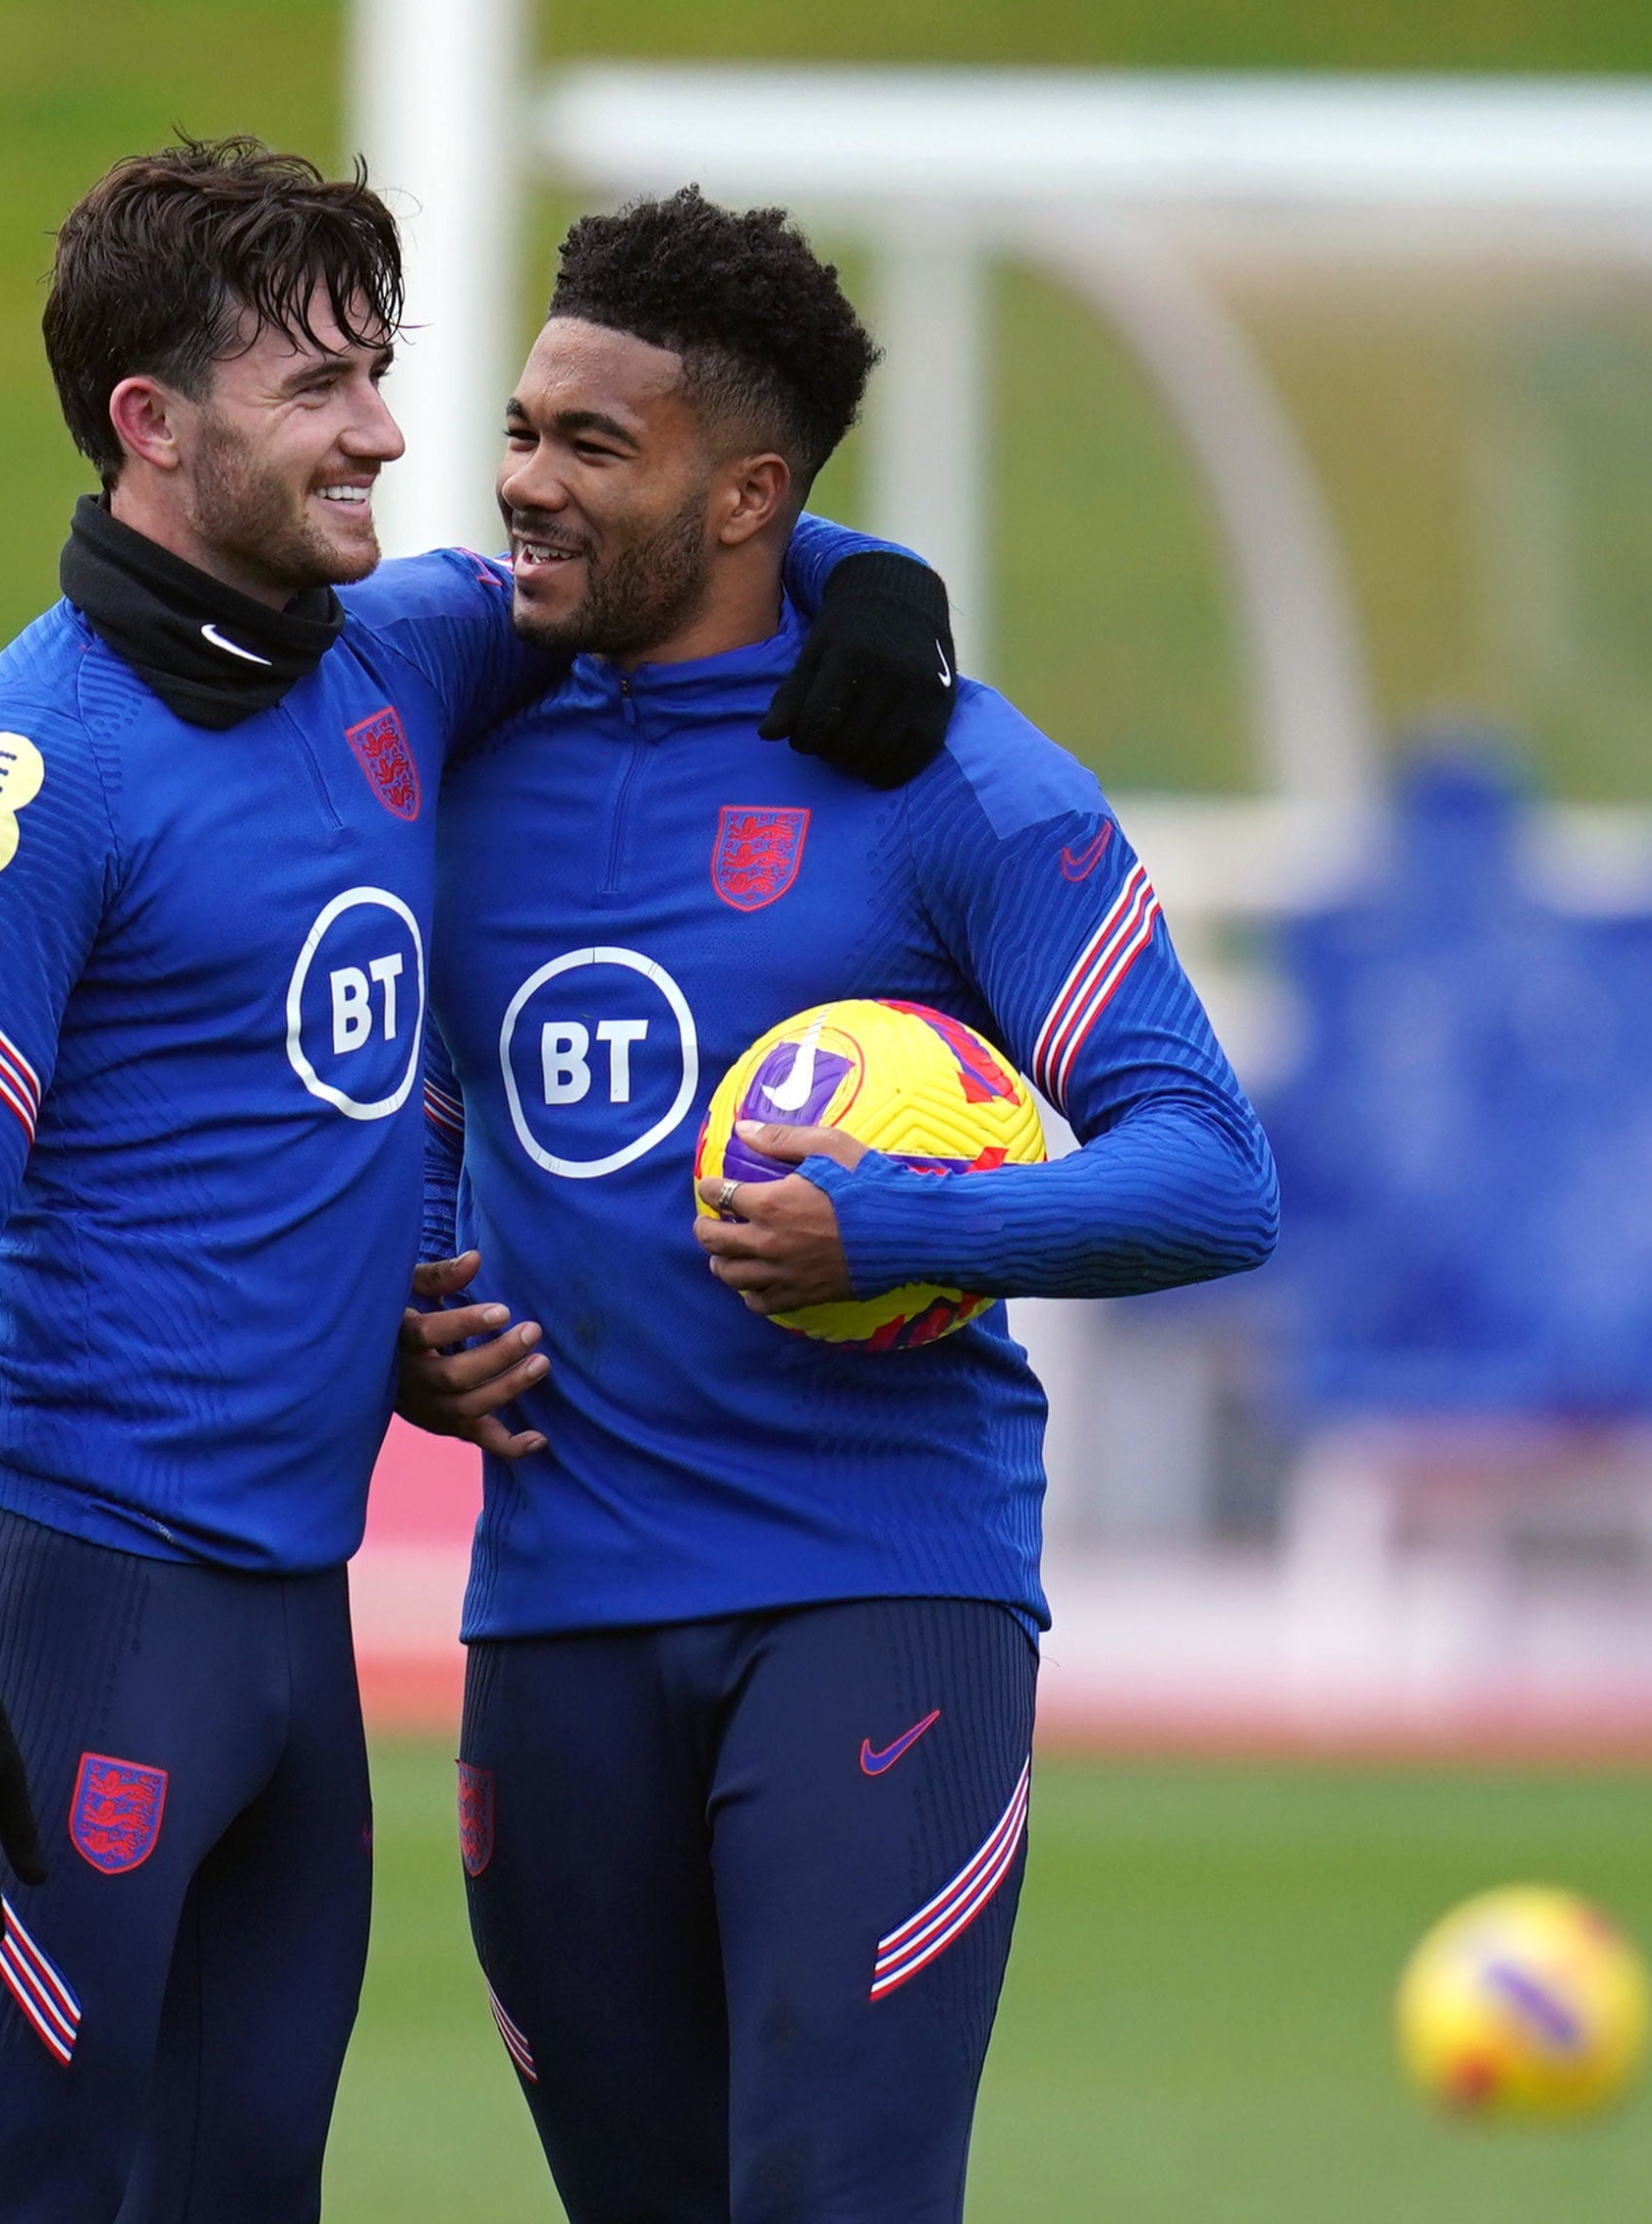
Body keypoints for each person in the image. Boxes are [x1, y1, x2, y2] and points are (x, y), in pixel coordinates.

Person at [0, 138, 955, 2223]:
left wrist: (862, 582)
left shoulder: (405, 656)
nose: (386, 435)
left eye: (381, 371)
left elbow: (671, 522)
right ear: (150, 427)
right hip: (85, 1591)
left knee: (250, 2186)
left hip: (296, 1621)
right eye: (320, 390)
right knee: (15, 2186)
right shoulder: (21, 784)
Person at [398, 191, 1280, 2222]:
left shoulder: (964, 783)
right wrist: (410, 1308)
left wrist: (899, 1229)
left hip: (874, 1598)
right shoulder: (460, 737)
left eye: (589, 446)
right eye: (523, 427)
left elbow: (1206, 1168)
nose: (523, 480)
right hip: (554, 1611)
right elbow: (429, 1082)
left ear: (748, 494)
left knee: (832, 2194)